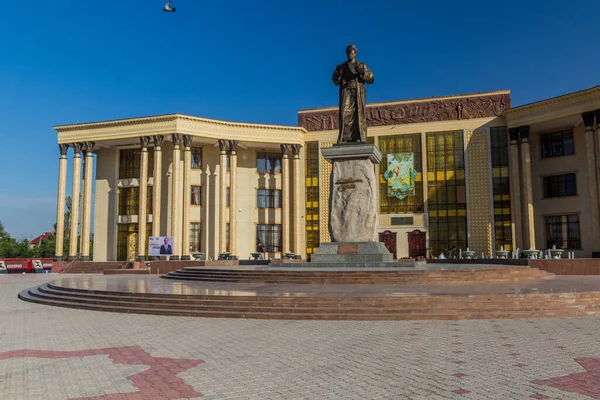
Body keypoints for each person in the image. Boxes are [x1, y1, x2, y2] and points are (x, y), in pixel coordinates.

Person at [332, 44, 374, 144]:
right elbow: (335, 81)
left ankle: (358, 137)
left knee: (358, 115)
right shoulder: (341, 66)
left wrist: (362, 73)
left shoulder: (361, 65)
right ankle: (344, 139)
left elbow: (371, 79)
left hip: (357, 93)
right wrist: (339, 74)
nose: (350, 53)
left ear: (355, 53)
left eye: (352, 51)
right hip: (346, 91)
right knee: (344, 113)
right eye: (349, 52)